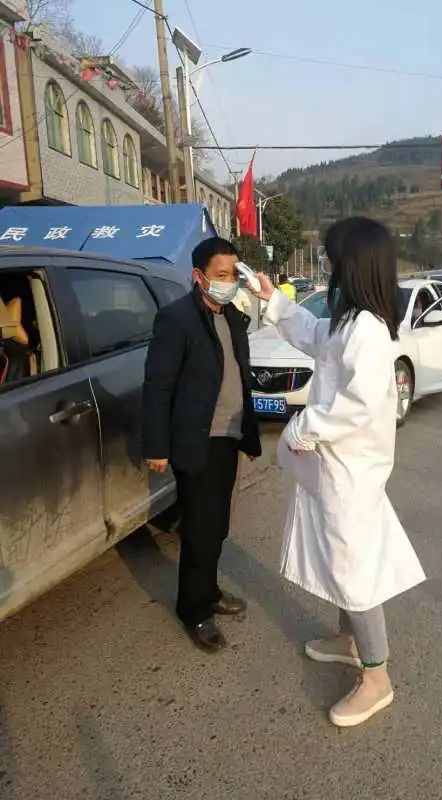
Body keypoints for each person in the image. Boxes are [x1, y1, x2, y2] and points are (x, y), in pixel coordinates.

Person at [253, 217, 426, 728]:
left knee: (353, 566)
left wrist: (305, 428)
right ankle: (350, 640)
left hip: (351, 470)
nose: (327, 266)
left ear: (351, 265)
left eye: (331, 258)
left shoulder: (368, 330)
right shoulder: (348, 322)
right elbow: (312, 335)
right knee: (336, 555)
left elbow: (357, 403)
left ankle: (377, 677)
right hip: (334, 466)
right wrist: (272, 299)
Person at [143, 237, 261, 652]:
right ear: (199, 276)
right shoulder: (176, 319)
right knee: (199, 528)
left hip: (229, 435)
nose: (229, 282)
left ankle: (208, 591)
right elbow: (158, 386)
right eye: (221, 275)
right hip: (198, 439)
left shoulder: (231, 316)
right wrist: (156, 445)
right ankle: (194, 609)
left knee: (217, 525)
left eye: (233, 274)